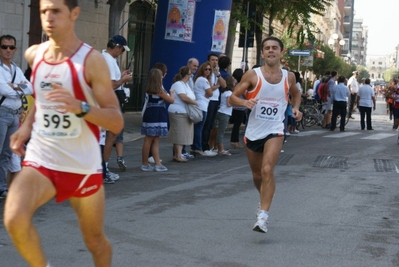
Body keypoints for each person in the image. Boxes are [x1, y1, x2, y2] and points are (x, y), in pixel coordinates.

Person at [4, 1, 124, 266]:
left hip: (82, 165)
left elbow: (116, 122)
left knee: (95, 242)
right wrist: (24, 128)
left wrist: (80, 107)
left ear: (74, 14)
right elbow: (43, 97)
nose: (48, 17)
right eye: (44, 11)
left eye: (56, 11)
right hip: (43, 159)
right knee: (14, 218)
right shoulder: (35, 54)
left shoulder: (91, 61)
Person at [229, 36, 302, 233]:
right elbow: (232, 98)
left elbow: (296, 94)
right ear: (262, 53)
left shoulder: (289, 77)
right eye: (267, 48)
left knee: (268, 169)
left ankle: (263, 216)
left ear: (281, 52)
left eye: (275, 48)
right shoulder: (253, 75)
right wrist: (244, 102)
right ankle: (264, 198)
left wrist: (295, 108)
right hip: (253, 131)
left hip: (275, 129)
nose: (271, 51)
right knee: (257, 174)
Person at [0, 34, 33, 198]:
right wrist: (18, 87)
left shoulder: (16, 69)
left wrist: (13, 86)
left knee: (6, 153)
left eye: (11, 47)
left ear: (15, 49)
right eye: (4, 47)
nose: (8, 50)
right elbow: (4, 91)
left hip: (14, 116)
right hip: (2, 113)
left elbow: (31, 88)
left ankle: (1, 187)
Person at [102, 34, 132, 176]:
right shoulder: (108, 60)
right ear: (117, 47)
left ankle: (103, 167)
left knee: (108, 135)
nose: (121, 53)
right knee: (110, 135)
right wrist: (123, 80)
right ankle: (104, 168)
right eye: (122, 50)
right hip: (110, 101)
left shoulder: (107, 59)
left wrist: (121, 76)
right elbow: (110, 84)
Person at [141, 68, 174, 171]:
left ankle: (156, 163)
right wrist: (172, 93)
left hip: (150, 113)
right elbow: (171, 100)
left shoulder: (149, 89)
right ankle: (146, 163)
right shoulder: (160, 90)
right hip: (157, 114)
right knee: (152, 139)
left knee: (152, 139)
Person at [167, 66, 198, 162]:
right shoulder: (178, 84)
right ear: (186, 75)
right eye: (190, 74)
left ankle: (179, 154)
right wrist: (194, 103)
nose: (191, 76)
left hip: (184, 112)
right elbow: (183, 97)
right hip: (178, 112)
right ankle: (178, 155)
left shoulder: (185, 84)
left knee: (182, 134)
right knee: (179, 134)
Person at [190, 62, 217, 156]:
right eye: (206, 69)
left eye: (209, 69)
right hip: (202, 106)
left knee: (198, 127)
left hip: (201, 105)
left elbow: (209, 92)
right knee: (199, 128)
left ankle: (195, 146)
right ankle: (197, 147)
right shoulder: (202, 80)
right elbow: (210, 93)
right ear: (202, 70)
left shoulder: (200, 79)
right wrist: (212, 89)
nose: (208, 71)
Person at [202, 53, 226, 152]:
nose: (215, 62)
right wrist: (217, 85)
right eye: (213, 60)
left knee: (211, 125)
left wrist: (218, 75)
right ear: (208, 61)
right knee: (206, 124)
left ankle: (207, 145)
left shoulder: (217, 72)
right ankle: (204, 146)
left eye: (216, 60)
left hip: (216, 100)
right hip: (209, 100)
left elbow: (224, 85)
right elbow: (210, 88)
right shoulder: (207, 72)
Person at [215, 76, 235, 155]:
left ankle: (218, 147)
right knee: (221, 132)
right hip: (225, 113)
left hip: (220, 111)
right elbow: (229, 104)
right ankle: (221, 149)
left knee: (218, 131)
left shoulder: (224, 92)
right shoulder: (229, 93)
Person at [230, 68, 246, 149]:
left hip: (237, 107)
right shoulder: (240, 85)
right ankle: (234, 141)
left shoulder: (235, 84)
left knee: (237, 125)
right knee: (237, 125)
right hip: (239, 107)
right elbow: (246, 95)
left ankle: (235, 141)